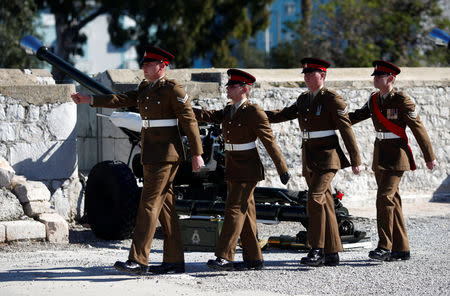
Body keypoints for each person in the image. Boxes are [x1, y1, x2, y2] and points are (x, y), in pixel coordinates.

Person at [71, 45, 205, 275]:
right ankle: (174, 261)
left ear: (161, 66)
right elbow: (120, 98)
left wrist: (196, 154)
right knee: (165, 208)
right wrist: (89, 99)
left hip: (166, 155)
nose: (143, 67)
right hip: (151, 154)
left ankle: (139, 260)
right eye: (143, 63)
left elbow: (189, 121)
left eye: (148, 64)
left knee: (148, 204)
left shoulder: (174, 89)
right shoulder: (145, 87)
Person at [265, 58, 362, 267]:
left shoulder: (332, 99)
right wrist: (258, 115)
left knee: (315, 198)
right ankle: (332, 252)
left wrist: (356, 160)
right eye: (305, 75)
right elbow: (283, 114)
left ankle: (316, 249)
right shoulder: (303, 99)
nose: (307, 78)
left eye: (312, 74)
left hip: (328, 158)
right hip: (310, 158)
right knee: (325, 203)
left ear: (323, 75)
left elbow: (346, 129)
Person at [194, 69, 291, 271]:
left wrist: (282, 169)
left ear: (245, 89)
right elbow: (209, 115)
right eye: (228, 85)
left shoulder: (253, 112)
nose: (228, 88)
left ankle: (225, 256)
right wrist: (185, 108)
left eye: (233, 86)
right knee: (245, 213)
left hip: (248, 168)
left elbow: (269, 142)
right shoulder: (230, 109)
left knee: (234, 209)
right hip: (233, 167)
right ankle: (254, 258)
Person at [349, 60, 437, 261]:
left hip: (397, 156)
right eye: (375, 76)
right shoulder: (374, 100)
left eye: (379, 76)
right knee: (393, 201)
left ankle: (384, 247)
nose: (375, 78)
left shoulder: (401, 100)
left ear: (391, 79)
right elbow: (356, 116)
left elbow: (417, 128)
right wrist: (335, 119)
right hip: (380, 156)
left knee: (384, 198)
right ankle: (401, 248)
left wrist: (429, 156)